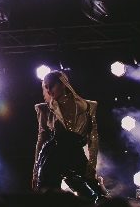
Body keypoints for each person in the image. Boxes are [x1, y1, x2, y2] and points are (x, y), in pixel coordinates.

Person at [32, 70, 108, 203]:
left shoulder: (89, 106)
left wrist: (91, 165)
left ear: (62, 84)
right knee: (48, 195)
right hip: (52, 154)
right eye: (46, 87)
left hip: (74, 154)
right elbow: (41, 139)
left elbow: (93, 138)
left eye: (51, 85)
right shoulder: (44, 109)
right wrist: (35, 171)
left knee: (95, 194)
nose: (48, 90)